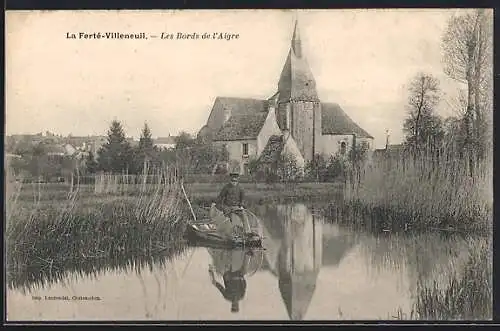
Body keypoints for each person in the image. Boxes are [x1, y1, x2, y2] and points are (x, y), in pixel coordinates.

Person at [208, 248, 253, 313]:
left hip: (229, 277)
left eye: (233, 306)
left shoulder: (227, 297)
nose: (234, 305)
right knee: (244, 271)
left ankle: (226, 251)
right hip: (238, 277)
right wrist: (242, 278)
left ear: (231, 306)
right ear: (238, 305)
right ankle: (248, 255)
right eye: (236, 306)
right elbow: (244, 286)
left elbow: (220, 288)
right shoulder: (241, 296)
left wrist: (212, 276)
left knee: (225, 268)